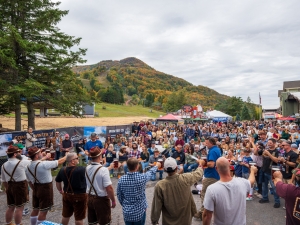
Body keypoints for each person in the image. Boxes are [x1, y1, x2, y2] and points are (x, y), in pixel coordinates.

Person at [202, 157, 258, 225]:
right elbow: (251, 182)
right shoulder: (242, 182)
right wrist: (252, 171)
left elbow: (207, 215)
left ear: (216, 168)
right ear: (229, 167)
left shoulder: (211, 189)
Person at [151, 157, 204, 225]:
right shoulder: (185, 178)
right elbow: (198, 174)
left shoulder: (160, 185)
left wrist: (154, 220)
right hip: (185, 220)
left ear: (164, 169)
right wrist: (200, 164)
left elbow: (156, 206)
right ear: (176, 168)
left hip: (169, 221)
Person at [26, 146, 67, 225]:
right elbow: (60, 161)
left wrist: (35, 190)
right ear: (37, 155)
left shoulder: (28, 166)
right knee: (43, 211)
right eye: (40, 152)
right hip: (45, 188)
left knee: (35, 209)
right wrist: (67, 155)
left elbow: (30, 182)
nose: (42, 153)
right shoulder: (43, 164)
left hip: (36, 187)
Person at [117, 158, 161, 225]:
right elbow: (150, 172)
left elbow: (119, 195)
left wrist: (125, 205)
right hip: (139, 212)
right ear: (137, 166)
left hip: (127, 212)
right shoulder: (142, 178)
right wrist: (157, 166)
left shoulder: (121, 180)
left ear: (128, 167)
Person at [85, 146, 116, 225]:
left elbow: (98, 171)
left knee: (92, 222)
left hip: (90, 198)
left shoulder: (87, 168)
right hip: (101, 200)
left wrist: (109, 167)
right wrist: (113, 200)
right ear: (100, 156)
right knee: (104, 222)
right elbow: (109, 188)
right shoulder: (103, 170)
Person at [1, 146, 31, 225]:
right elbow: (35, 162)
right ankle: (18, 223)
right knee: (19, 207)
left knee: (11, 207)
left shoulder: (3, 165)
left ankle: (8, 223)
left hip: (9, 186)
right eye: (18, 152)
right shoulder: (21, 163)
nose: (19, 153)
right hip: (20, 186)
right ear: (14, 154)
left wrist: (8, 189)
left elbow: (3, 180)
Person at [55, 153, 87, 225]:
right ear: (72, 161)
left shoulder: (62, 169)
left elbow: (57, 182)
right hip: (79, 195)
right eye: (76, 158)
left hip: (66, 194)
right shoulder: (80, 170)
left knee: (66, 215)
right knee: (79, 218)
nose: (78, 159)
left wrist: (60, 190)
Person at [194, 137, 221, 220]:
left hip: (211, 176)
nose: (205, 144)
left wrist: (201, 162)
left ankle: (203, 213)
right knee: (207, 194)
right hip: (214, 175)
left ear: (211, 143)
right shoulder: (217, 149)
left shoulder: (212, 151)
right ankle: (203, 212)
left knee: (204, 194)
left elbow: (212, 164)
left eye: (206, 143)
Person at [259, 138, 281, 208]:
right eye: (268, 143)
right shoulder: (266, 150)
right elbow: (262, 156)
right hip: (264, 169)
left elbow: (277, 160)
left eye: (270, 143)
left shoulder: (277, 151)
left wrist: (268, 154)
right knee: (264, 186)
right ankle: (265, 198)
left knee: (274, 187)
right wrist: (264, 154)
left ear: (274, 143)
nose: (269, 144)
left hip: (272, 171)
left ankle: (277, 201)